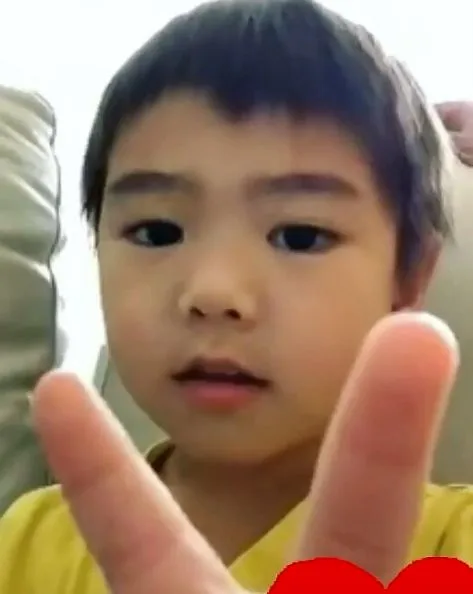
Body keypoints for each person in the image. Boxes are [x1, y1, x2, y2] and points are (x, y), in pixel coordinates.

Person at [0, 1, 472, 592]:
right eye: (157, 232)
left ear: (408, 279)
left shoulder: (454, 545)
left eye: (299, 236)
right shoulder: (26, 540)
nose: (213, 293)